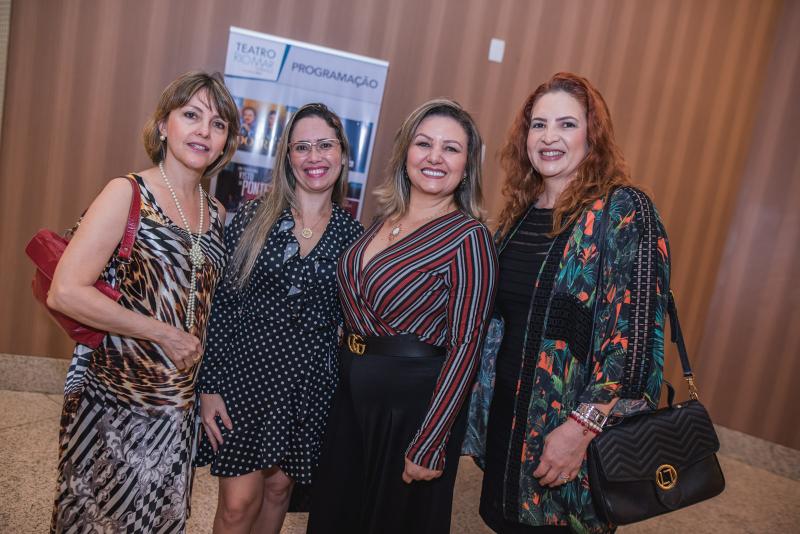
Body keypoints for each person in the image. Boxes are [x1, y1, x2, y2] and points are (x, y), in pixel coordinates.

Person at [474, 72, 671, 534]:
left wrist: (581, 429)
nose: (549, 137)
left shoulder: (623, 211)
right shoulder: (519, 216)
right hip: (508, 422)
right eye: (538, 125)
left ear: (592, 135)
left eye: (566, 124)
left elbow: (637, 342)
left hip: (572, 433)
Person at [47, 71, 240, 533]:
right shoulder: (128, 193)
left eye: (217, 124)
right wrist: (163, 334)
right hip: (115, 403)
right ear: (162, 125)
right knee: (99, 521)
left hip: (177, 409)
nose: (203, 131)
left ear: (225, 143)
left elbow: (205, 310)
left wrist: (206, 388)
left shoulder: (216, 213)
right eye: (191, 115)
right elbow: (66, 290)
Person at [307, 98, 498, 534]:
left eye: (451, 148)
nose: (435, 157)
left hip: (412, 407)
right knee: (336, 514)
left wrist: (431, 440)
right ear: (406, 152)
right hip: (351, 395)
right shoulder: (383, 220)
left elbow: (466, 348)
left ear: (467, 166)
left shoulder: (470, 239)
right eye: (424, 143)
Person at [195, 102, 363, 534]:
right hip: (245, 379)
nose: (314, 157)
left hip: (309, 387)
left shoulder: (356, 238)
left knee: (277, 492)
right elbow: (223, 305)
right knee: (237, 506)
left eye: (325, 145)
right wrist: (209, 387)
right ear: (288, 156)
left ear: (342, 154)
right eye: (302, 147)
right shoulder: (254, 217)